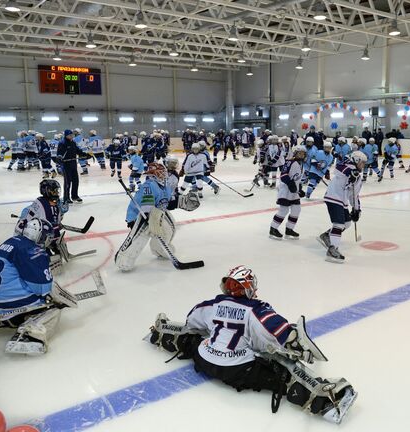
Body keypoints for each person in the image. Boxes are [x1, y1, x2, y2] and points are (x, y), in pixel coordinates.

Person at [147, 266, 357, 424]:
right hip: (236, 371)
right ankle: (326, 402)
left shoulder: (213, 304)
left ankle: (162, 334)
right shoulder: (257, 310)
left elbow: (191, 320)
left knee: (191, 339)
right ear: (249, 288)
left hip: (204, 359)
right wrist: (294, 344)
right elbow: (278, 336)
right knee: (282, 369)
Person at [0, 217, 83, 355]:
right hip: (6, 301)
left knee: (16, 291)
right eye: (46, 237)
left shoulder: (11, 241)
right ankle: (30, 335)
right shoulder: (33, 250)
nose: (47, 241)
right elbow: (42, 288)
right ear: (40, 236)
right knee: (52, 306)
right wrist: (59, 298)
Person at [115, 163, 199, 271]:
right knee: (142, 236)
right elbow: (147, 208)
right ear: (155, 174)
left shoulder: (165, 186)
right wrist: (153, 221)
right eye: (162, 172)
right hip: (139, 216)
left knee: (170, 228)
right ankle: (124, 259)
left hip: (156, 212)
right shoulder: (149, 186)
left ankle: (159, 249)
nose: (165, 174)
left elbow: (167, 202)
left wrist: (182, 201)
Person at [317, 151, 365, 263]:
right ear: (357, 160)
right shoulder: (346, 166)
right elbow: (339, 167)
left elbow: (354, 195)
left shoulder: (358, 177)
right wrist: (350, 172)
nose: (363, 165)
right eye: (362, 163)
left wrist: (357, 209)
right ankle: (332, 250)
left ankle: (326, 235)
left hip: (342, 200)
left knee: (347, 223)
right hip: (333, 197)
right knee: (338, 224)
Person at [269, 145, 306, 240]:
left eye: (303, 154)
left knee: (296, 210)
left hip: (293, 192)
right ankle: (273, 228)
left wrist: (299, 189)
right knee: (283, 210)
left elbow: (297, 179)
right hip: (285, 191)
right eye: (299, 153)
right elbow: (283, 175)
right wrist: (290, 184)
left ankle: (289, 229)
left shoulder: (301, 164)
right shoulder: (290, 162)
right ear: (295, 153)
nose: (301, 155)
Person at [57, 129, 91, 204]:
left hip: (73, 164)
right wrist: (60, 159)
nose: (71, 136)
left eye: (72, 135)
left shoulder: (73, 142)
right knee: (68, 182)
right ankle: (66, 198)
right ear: (66, 135)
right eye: (69, 135)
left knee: (75, 181)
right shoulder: (62, 143)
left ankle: (74, 196)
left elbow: (78, 151)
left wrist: (85, 155)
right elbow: (59, 154)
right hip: (66, 165)